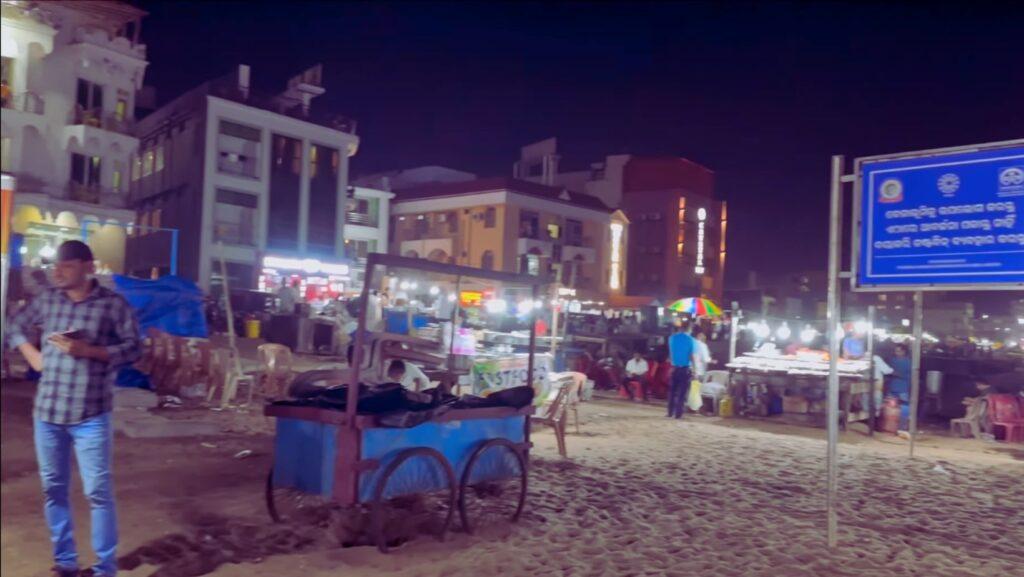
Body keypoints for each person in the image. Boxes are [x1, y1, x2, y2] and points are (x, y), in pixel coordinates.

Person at [7, 241, 141, 577]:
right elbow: (14, 325)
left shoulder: (112, 306)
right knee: (53, 490)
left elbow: (134, 348)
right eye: (56, 265)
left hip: (90, 416)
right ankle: (65, 562)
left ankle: (104, 568)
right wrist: (32, 355)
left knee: (97, 492)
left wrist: (89, 350)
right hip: (48, 414)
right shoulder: (48, 301)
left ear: (87, 267)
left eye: (66, 265)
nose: (57, 271)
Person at [667, 322, 698, 419]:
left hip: (674, 368)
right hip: (684, 369)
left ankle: (670, 412)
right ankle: (678, 414)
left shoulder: (672, 338)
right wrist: (695, 369)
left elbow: (671, 354)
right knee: (682, 392)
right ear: (688, 329)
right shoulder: (691, 340)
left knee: (672, 391)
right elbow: (691, 356)